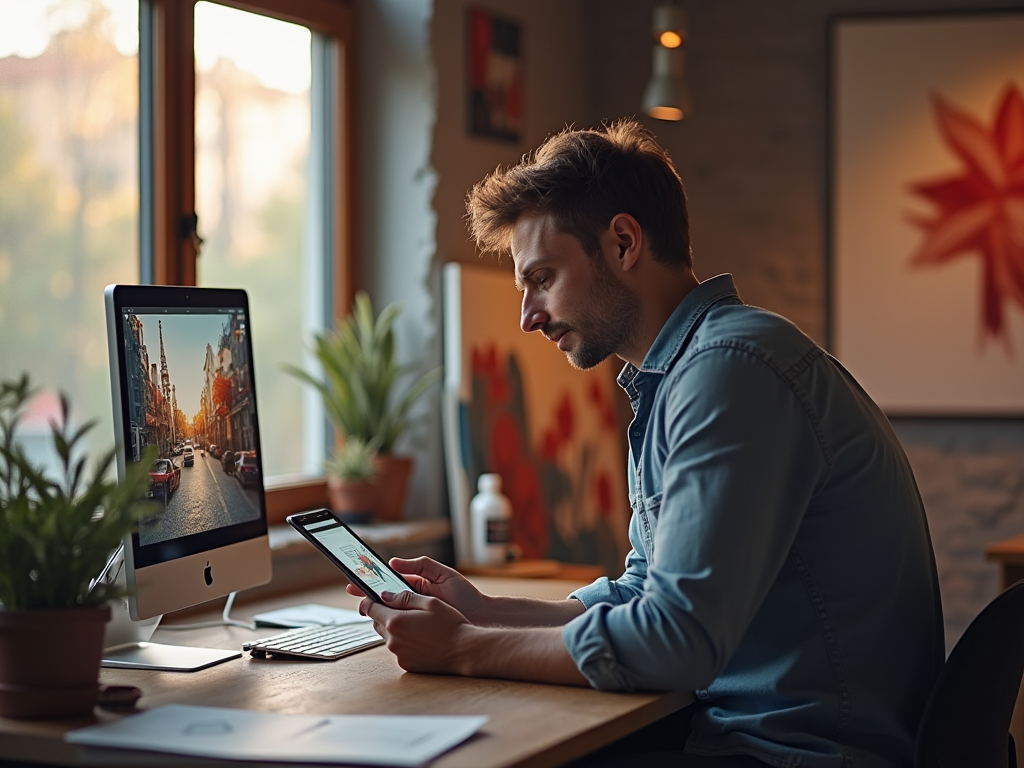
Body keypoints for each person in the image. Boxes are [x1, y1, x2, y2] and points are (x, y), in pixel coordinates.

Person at [349, 119, 944, 767]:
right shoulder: (690, 372)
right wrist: (487, 612)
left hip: (796, 753)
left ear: (624, 242)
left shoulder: (729, 373)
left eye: (542, 278)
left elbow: (676, 640)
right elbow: (645, 594)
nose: (527, 316)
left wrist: (464, 650)